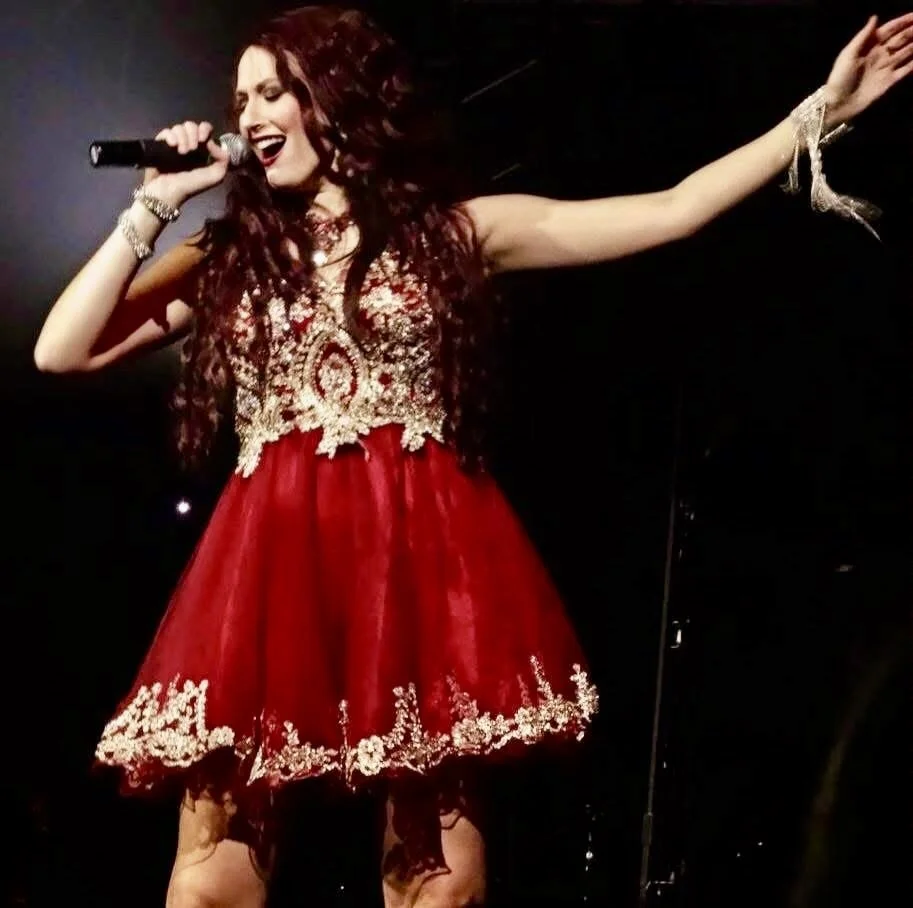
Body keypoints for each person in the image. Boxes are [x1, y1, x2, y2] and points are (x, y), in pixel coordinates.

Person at [34, 6, 913, 908]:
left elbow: (670, 211)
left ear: (332, 102)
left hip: (410, 568)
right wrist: (154, 202)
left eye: (274, 91)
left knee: (437, 882)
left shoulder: (451, 233)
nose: (252, 114)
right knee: (212, 873)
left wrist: (818, 112)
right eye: (240, 98)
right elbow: (61, 350)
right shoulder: (231, 256)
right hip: (265, 571)